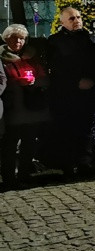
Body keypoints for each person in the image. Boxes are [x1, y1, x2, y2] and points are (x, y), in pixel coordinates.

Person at [46, 7, 95, 176]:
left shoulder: (90, 39)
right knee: (66, 128)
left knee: (85, 128)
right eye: (72, 18)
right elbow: (55, 67)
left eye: (78, 17)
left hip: (87, 91)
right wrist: (75, 82)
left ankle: (84, 162)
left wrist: (92, 79)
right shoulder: (54, 41)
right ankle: (67, 164)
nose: (77, 20)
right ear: (62, 22)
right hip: (65, 92)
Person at [1, 24, 48, 188]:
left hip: (31, 108)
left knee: (29, 142)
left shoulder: (32, 58)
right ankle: (8, 177)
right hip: (12, 108)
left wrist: (35, 81)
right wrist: (15, 83)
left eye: (21, 38)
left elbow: (44, 78)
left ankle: (24, 175)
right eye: (14, 38)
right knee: (9, 144)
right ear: (6, 39)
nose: (18, 41)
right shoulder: (2, 58)